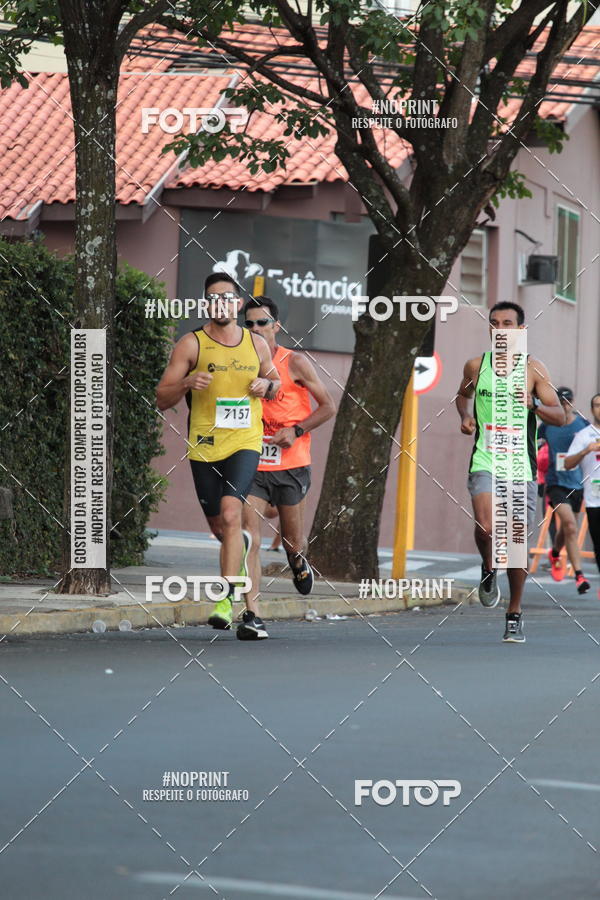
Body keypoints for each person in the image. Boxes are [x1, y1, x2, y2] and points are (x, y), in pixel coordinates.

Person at [156, 273, 280, 641]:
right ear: (206, 304)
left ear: (238, 304)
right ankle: (238, 587)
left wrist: (267, 385)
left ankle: (229, 602)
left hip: (245, 441)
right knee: (222, 528)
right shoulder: (191, 344)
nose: (220, 303)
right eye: (213, 298)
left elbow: (277, 386)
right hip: (205, 445)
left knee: (232, 514)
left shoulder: (257, 344)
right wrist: (186, 384)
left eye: (227, 297)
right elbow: (162, 397)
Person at [456, 301, 565, 643]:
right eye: (494, 323)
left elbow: (559, 414)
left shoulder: (534, 370)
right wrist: (465, 415)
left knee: (516, 544)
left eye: (507, 323)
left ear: (520, 330)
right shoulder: (476, 365)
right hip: (485, 459)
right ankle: (489, 567)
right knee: (486, 527)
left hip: (520, 466)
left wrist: (532, 403)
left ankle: (514, 610)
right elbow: (462, 396)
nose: (500, 328)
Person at [241, 296, 335, 606]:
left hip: (291, 464)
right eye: (250, 323)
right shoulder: (241, 363)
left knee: (293, 543)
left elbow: (327, 408)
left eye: (262, 323)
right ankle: (250, 608)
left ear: (276, 326)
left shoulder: (295, 362)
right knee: (248, 537)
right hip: (252, 463)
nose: (256, 328)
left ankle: (297, 561)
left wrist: (295, 431)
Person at [538, 387, 590, 593]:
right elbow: (531, 441)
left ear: (572, 402)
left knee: (568, 528)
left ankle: (555, 552)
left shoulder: (582, 424)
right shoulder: (547, 425)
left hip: (577, 482)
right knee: (569, 524)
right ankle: (579, 576)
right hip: (556, 482)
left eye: (568, 402)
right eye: (561, 402)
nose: (565, 405)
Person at [564, 393, 600, 600]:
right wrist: (586, 450)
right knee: (598, 544)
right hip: (595, 498)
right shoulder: (584, 435)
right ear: (592, 409)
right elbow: (568, 463)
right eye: (596, 405)